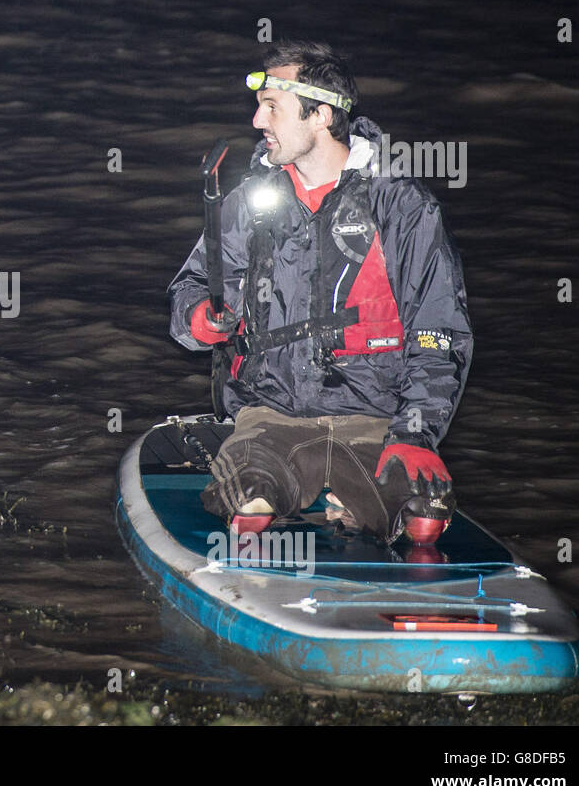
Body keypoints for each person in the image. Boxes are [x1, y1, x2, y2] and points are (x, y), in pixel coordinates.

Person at [168, 41, 473, 546]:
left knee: (423, 515)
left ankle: (359, 505)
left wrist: (417, 434)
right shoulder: (249, 203)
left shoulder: (401, 205)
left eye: (271, 107)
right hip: (271, 416)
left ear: (321, 116)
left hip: (375, 419)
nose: (256, 121)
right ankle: (269, 543)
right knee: (247, 495)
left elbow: (441, 331)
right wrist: (201, 318)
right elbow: (190, 289)